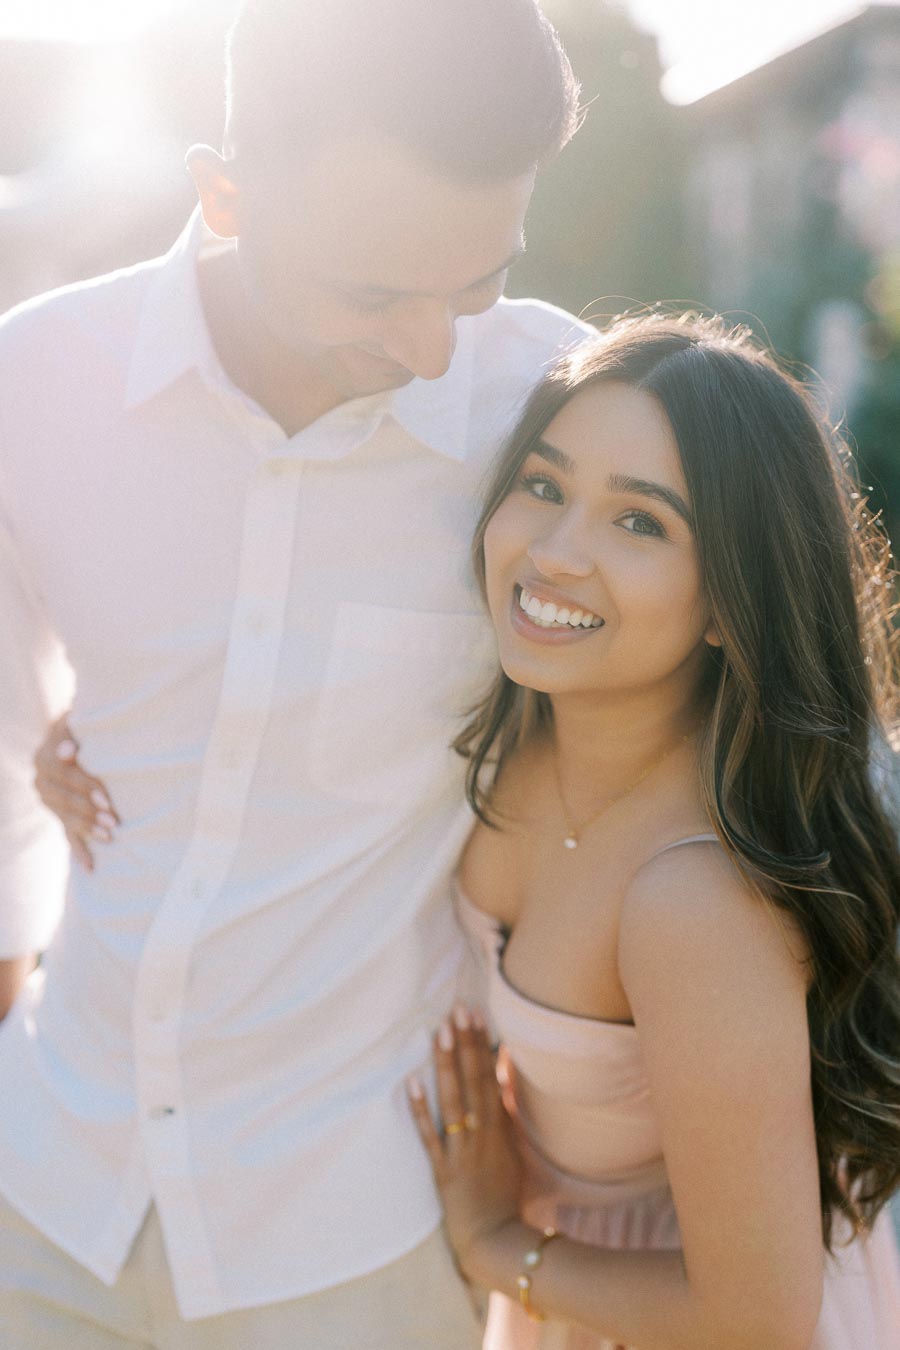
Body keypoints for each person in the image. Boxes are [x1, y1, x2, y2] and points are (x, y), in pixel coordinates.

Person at [0, 1, 591, 1345]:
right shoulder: (34, 380)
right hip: (42, 1190)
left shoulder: (559, 415)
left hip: (355, 1239)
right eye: (378, 290)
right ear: (225, 194)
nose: (436, 346)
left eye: (479, 280)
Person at [401, 314, 900, 1348]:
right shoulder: (500, 725)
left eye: (641, 524)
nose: (555, 552)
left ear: (730, 599)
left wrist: (495, 1242)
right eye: (544, 485)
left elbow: (760, 1321)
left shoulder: (697, 903)